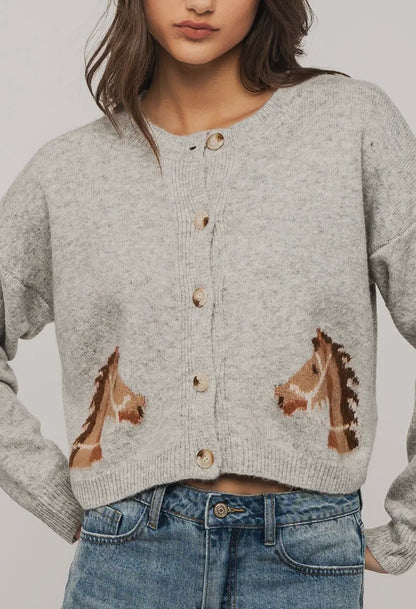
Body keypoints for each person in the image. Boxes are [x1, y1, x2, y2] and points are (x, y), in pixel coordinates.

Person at [1, 0, 415, 607]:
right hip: (126, 560)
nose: (200, 3)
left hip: (304, 558)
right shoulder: (67, 172)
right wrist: (61, 498)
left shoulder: (350, 125)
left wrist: (408, 527)